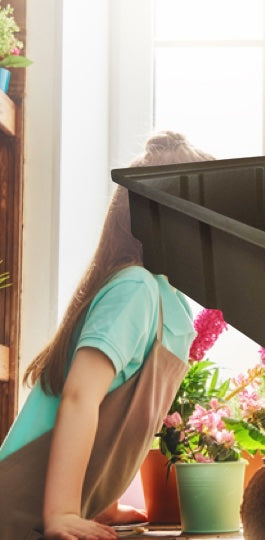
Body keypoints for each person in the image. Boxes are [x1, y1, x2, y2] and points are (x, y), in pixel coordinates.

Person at [0, 131, 215, 539]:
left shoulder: (173, 307)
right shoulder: (135, 290)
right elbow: (82, 396)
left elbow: (118, 422)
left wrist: (99, 502)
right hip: (13, 512)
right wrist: (63, 511)